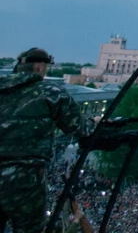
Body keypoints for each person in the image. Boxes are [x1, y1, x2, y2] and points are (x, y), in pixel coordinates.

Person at [0, 48, 95, 233]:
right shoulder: (50, 92)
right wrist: (95, 123)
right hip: (25, 179)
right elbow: (79, 127)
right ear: (39, 66)